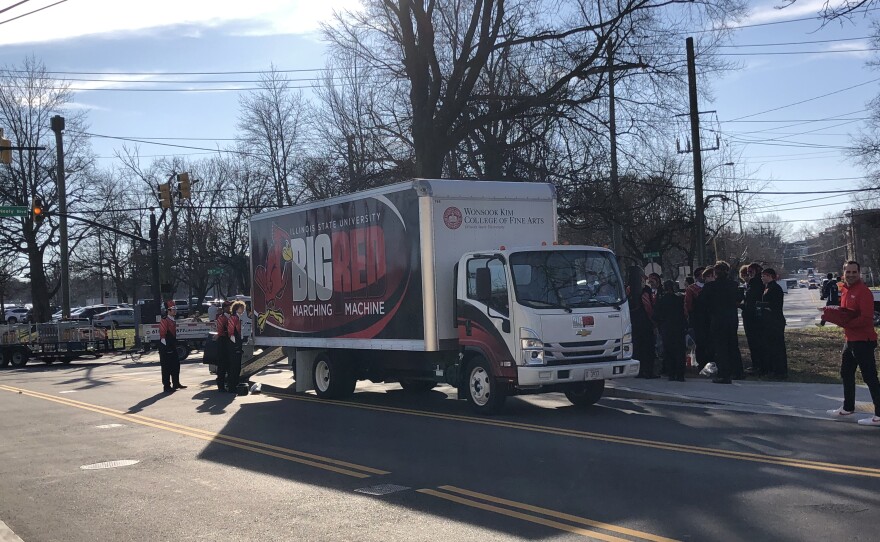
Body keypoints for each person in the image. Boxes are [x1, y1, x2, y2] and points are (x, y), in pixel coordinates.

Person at [821, 261, 880, 426]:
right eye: (849, 272)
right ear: (843, 272)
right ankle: (848, 408)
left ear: (859, 273)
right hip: (850, 339)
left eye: (854, 272)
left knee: (870, 377)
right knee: (846, 373)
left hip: (864, 340)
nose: (851, 275)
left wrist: (845, 324)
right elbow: (846, 314)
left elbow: (867, 318)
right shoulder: (845, 290)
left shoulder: (864, 292)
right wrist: (832, 315)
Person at [699, 261, 743, 383]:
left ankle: (724, 374)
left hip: (718, 319)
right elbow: (739, 298)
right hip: (732, 318)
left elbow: (701, 302)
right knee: (733, 345)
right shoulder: (733, 285)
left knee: (721, 347)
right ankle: (738, 371)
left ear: (715, 273)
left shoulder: (710, 287)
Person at [757, 268, 788, 379]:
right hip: (768, 321)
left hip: (775, 321)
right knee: (770, 346)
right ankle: (773, 368)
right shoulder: (767, 288)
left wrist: (765, 306)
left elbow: (775, 305)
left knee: (777, 346)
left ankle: (780, 371)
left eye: (764, 276)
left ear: (770, 276)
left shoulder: (775, 288)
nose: (762, 278)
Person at [627, 266, 657, 379]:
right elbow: (648, 306)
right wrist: (653, 321)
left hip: (633, 324)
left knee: (637, 348)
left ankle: (638, 371)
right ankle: (648, 371)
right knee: (648, 348)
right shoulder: (645, 291)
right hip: (645, 324)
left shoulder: (628, 291)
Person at [655, 280, 686, 381]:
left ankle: (671, 374)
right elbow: (684, 313)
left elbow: (656, 315)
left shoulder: (661, 300)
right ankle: (680, 374)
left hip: (666, 328)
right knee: (680, 351)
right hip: (679, 327)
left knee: (669, 351)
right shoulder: (679, 300)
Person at [742, 263, 767, 375]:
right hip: (759, 317)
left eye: (750, 272)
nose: (749, 274)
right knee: (760, 342)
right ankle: (761, 365)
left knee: (754, 342)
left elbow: (750, 302)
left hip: (752, 317)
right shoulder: (762, 284)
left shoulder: (754, 284)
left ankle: (758, 365)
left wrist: (741, 304)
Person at [158, 300, 186, 393]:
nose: (175, 311)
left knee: (176, 365)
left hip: (172, 344)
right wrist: (167, 348)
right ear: (168, 310)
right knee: (166, 367)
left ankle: (176, 383)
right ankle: (166, 385)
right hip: (166, 346)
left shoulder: (172, 320)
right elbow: (163, 335)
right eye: (173, 309)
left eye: (175, 309)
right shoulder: (165, 320)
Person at [226, 300, 246, 394]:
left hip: (237, 345)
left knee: (237, 367)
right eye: (241, 308)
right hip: (234, 346)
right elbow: (231, 334)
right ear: (236, 309)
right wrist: (236, 345)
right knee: (233, 367)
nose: (243, 309)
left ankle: (234, 384)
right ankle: (232, 386)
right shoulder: (233, 318)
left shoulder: (237, 318)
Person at [214, 300, 231, 392]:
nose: (230, 308)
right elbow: (220, 331)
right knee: (222, 365)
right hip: (223, 341)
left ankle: (229, 383)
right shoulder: (221, 318)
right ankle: (220, 385)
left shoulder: (232, 317)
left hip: (229, 342)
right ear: (224, 308)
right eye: (228, 307)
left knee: (229, 365)